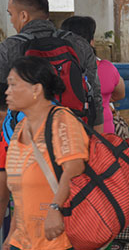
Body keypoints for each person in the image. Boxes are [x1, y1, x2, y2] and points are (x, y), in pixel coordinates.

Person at [5, 56, 87, 250]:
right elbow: (21, 191)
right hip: (22, 242)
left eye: (13, 85)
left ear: (36, 89)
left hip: (56, 241)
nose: (7, 92)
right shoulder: (20, 128)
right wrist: (11, 236)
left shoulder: (61, 121)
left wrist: (55, 208)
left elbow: (75, 167)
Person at [0, 0, 103, 128]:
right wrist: (97, 141)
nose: (11, 20)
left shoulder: (8, 49)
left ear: (23, 16)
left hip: (27, 138)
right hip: (73, 135)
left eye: (11, 15)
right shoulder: (80, 45)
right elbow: (96, 100)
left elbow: (2, 109)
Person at [61, 16, 125, 135]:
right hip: (104, 133)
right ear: (91, 42)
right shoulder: (107, 68)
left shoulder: (58, 69)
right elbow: (120, 93)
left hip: (69, 134)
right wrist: (104, 99)